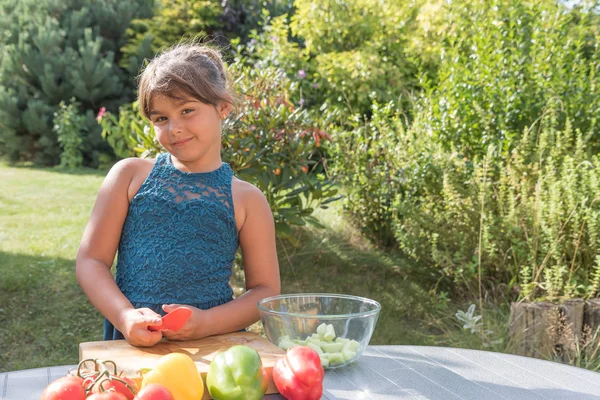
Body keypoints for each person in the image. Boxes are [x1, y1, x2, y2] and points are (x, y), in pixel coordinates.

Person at [75, 44, 281, 347]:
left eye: (187, 111)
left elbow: (266, 290)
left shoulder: (248, 200)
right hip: (132, 343)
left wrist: (207, 323)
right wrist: (125, 317)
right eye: (161, 118)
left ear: (223, 107)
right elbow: (91, 260)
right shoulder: (129, 177)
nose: (175, 129)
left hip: (212, 347)